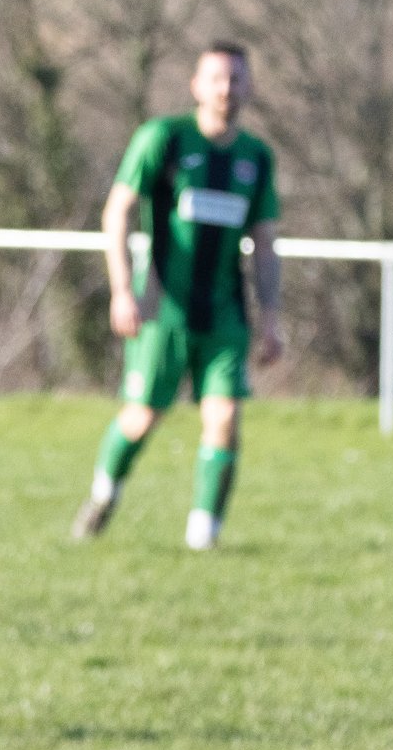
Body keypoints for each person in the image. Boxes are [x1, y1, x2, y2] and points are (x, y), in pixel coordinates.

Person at [70, 41, 281, 551]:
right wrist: (122, 290)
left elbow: (266, 242)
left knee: (225, 418)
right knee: (141, 419)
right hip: (162, 309)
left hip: (226, 312)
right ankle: (103, 495)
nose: (227, 88)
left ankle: (203, 538)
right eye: (217, 78)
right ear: (196, 85)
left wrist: (271, 316)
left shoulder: (257, 157)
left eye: (236, 78)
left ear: (250, 86)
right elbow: (117, 210)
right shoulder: (163, 138)